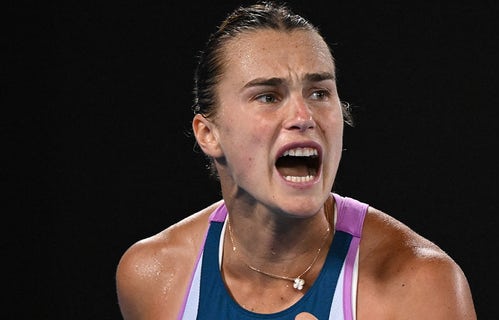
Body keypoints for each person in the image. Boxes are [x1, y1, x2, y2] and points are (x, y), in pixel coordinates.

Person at [115, 1, 477, 319]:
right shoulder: (153, 276)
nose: (303, 116)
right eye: (268, 96)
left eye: (319, 92)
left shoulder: (419, 286)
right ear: (209, 134)